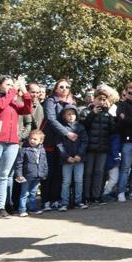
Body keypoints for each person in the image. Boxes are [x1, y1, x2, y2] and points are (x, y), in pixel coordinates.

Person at [0, 76, 32, 219]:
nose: (11, 86)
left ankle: (0, 208)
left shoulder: (13, 101)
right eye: (8, 84)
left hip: (12, 143)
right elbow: (1, 105)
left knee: (3, 176)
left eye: (12, 84)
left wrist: (24, 90)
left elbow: (27, 109)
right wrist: (14, 90)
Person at [42, 79, 76, 211]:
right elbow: (51, 119)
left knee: (59, 173)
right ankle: (46, 201)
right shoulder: (50, 101)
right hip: (50, 141)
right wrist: (67, 133)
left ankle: (56, 199)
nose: (64, 89)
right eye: (61, 87)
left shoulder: (70, 102)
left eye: (67, 87)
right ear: (56, 89)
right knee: (48, 172)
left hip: (63, 144)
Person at [80, 87, 116, 205]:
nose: (101, 101)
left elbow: (113, 130)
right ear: (94, 99)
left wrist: (109, 113)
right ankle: (86, 196)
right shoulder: (86, 111)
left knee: (99, 172)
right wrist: (93, 113)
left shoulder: (107, 114)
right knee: (88, 172)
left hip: (102, 148)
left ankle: (97, 196)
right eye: (99, 99)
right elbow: (83, 126)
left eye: (104, 99)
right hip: (89, 148)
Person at [58, 105, 88, 211]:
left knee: (79, 180)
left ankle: (78, 201)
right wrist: (66, 157)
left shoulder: (80, 127)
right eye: (68, 114)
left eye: (73, 114)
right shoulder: (62, 128)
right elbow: (59, 144)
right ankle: (64, 203)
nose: (71, 116)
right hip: (66, 160)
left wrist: (79, 155)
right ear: (64, 116)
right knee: (66, 181)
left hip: (79, 159)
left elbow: (84, 142)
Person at [14, 130, 47, 217]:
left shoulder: (42, 150)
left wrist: (44, 173)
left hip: (37, 175)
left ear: (41, 141)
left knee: (33, 192)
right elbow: (19, 163)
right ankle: (22, 209)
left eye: (35, 139)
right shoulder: (24, 150)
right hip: (26, 176)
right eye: (31, 138)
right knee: (24, 193)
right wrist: (19, 174)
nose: (32, 140)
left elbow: (44, 162)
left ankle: (33, 208)